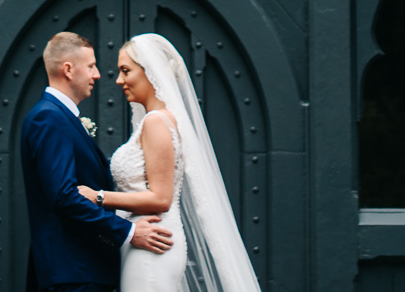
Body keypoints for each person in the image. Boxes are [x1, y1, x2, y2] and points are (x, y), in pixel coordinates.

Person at [75, 34, 262, 292]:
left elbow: (161, 198)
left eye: (126, 71)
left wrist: (98, 197)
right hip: (149, 243)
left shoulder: (156, 122)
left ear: (150, 71)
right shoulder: (158, 121)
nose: (119, 81)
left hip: (153, 246)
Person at [21, 31, 174, 292]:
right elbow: (64, 196)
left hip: (83, 270)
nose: (98, 75)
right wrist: (128, 232)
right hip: (74, 273)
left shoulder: (58, 117)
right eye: (91, 66)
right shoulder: (48, 118)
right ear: (68, 69)